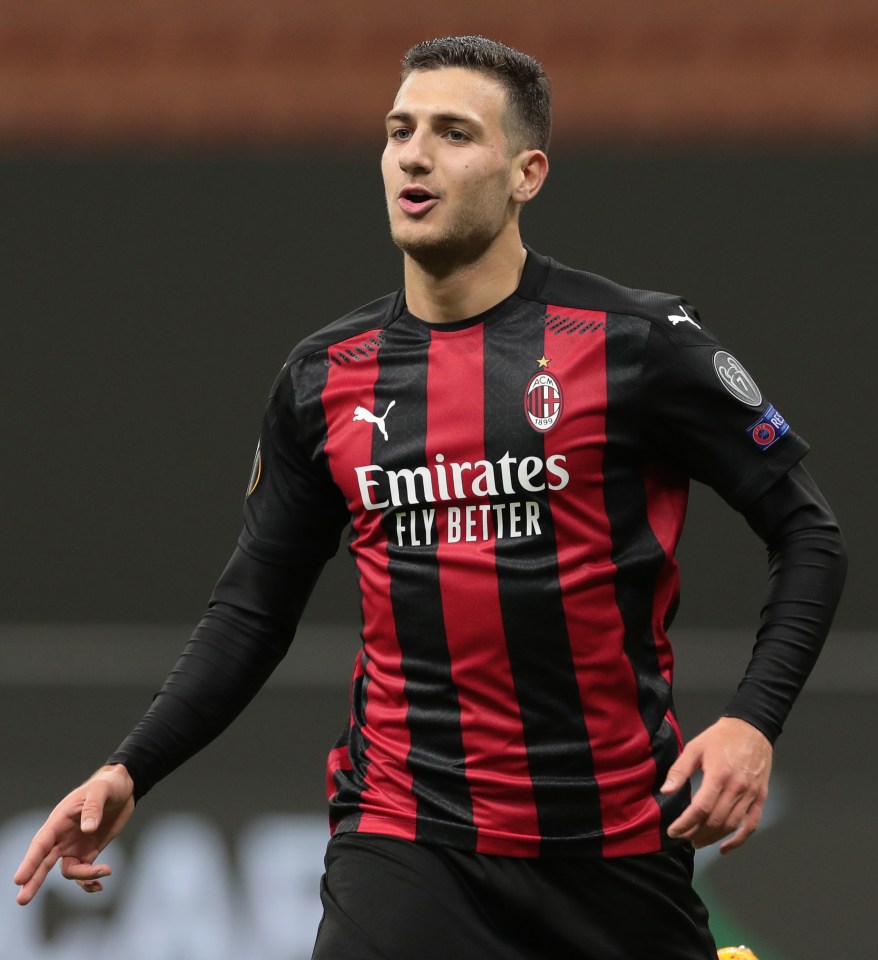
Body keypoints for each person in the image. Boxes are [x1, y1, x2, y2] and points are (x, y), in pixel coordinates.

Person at [14, 36, 846, 960]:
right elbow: (252, 611)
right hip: (405, 839)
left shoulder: (635, 342)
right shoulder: (325, 377)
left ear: (527, 173)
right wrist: (133, 766)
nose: (415, 154)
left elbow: (809, 535)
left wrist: (751, 723)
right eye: (399, 130)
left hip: (611, 845)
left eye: (454, 133)